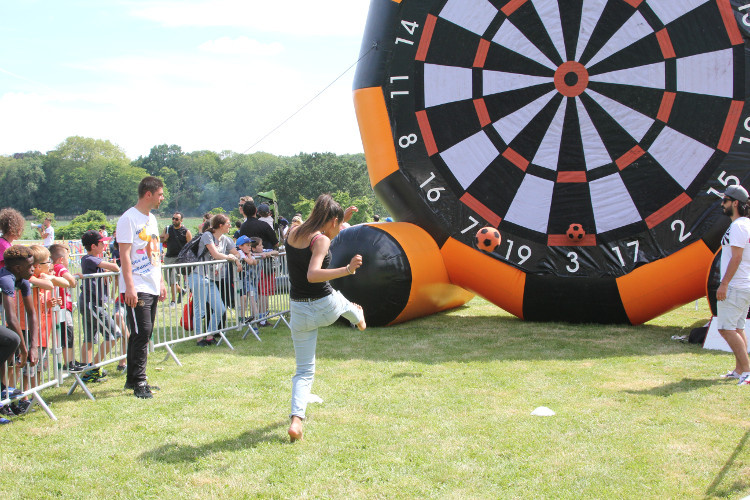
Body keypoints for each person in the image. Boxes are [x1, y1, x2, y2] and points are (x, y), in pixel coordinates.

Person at [285, 194, 366, 442]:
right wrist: (348, 269)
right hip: (324, 305)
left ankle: (296, 420)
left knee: (304, 371)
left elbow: (320, 235)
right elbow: (313, 274)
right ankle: (359, 317)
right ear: (332, 220)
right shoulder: (320, 240)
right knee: (343, 301)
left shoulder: (292, 231)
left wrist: (342, 223)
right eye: (337, 224)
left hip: (298, 310)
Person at [116, 176, 167, 399]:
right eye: (160, 194)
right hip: (136, 284)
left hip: (152, 282)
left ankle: (133, 378)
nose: (162, 198)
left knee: (143, 332)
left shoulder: (152, 218)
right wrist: (130, 287)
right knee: (141, 331)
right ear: (148, 194)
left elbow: (155, 252)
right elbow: (124, 255)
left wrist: (161, 281)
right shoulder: (128, 219)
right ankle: (139, 381)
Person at [187, 214, 242, 346]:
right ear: (220, 225)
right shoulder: (207, 235)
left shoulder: (226, 239)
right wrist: (231, 257)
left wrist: (237, 259)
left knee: (220, 309)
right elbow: (215, 254)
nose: (230, 226)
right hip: (198, 275)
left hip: (211, 279)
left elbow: (237, 253)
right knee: (199, 309)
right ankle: (200, 339)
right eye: (228, 223)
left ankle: (210, 335)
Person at [716, 185, 750, 385]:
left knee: (726, 329)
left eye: (725, 200)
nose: (722, 204)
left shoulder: (738, 226)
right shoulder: (745, 224)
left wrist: (724, 284)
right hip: (743, 285)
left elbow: (736, 258)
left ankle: (746, 371)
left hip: (736, 286)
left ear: (735, 203)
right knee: (737, 327)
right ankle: (740, 370)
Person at [0, 246, 38, 422]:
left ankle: (2, 392)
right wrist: (23, 350)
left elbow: (32, 314)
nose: (33, 269)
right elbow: (12, 318)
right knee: (11, 339)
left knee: (9, 341)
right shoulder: (6, 279)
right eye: (30, 265)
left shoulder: (22, 280)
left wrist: (33, 347)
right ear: (17, 268)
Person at [78, 230, 121, 382]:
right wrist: (112, 267)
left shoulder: (93, 259)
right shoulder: (89, 259)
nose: (105, 244)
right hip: (93, 304)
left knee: (90, 339)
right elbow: (115, 268)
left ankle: (87, 370)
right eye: (102, 243)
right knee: (115, 334)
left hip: (91, 303)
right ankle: (93, 368)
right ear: (94, 246)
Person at [49, 243, 84, 371]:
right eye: (68, 258)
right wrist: (74, 280)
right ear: (61, 259)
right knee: (67, 335)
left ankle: (70, 361)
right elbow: (70, 280)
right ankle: (68, 363)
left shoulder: (55, 267)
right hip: (62, 307)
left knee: (67, 335)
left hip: (63, 307)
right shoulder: (59, 267)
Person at [160, 211, 192, 306]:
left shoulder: (186, 231)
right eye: (173, 218)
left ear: (181, 220)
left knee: (173, 279)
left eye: (176, 219)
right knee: (168, 280)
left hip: (178, 259)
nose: (174, 220)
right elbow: (160, 239)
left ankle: (173, 301)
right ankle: (181, 291)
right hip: (168, 258)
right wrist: (164, 238)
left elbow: (190, 246)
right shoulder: (167, 228)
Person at [235, 235, 259, 324]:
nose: (250, 247)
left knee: (244, 297)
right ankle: (241, 318)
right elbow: (250, 262)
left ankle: (243, 317)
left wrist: (249, 255)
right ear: (240, 246)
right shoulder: (240, 252)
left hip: (243, 278)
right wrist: (249, 255)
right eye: (247, 245)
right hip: (237, 278)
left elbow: (254, 262)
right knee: (243, 297)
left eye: (250, 245)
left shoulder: (246, 253)